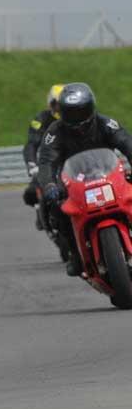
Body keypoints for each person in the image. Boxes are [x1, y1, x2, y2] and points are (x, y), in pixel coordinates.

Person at [38, 83, 132, 276]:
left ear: (91, 108)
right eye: (71, 113)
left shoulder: (106, 124)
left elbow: (127, 143)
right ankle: (75, 254)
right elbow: (47, 163)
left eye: (81, 112)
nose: (76, 119)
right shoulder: (53, 133)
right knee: (55, 207)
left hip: (109, 175)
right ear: (62, 112)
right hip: (74, 181)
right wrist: (49, 185)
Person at [22, 84, 64, 207]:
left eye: (63, 104)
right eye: (58, 104)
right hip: (51, 164)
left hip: (75, 163)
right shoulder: (41, 119)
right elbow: (32, 143)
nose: (61, 108)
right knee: (31, 194)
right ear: (51, 103)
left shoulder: (78, 117)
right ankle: (43, 213)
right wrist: (32, 165)